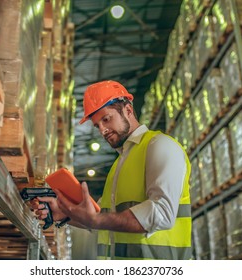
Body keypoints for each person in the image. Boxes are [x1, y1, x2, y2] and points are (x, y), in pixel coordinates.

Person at [33, 80, 192, 260]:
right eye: (97, 125)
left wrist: (97, 220)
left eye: (106, 119)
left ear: (128, 110)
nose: (102, 130)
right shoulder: (119, 165)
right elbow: (105, 219)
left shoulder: (160, 146)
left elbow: (162, 214)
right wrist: (66, 214)